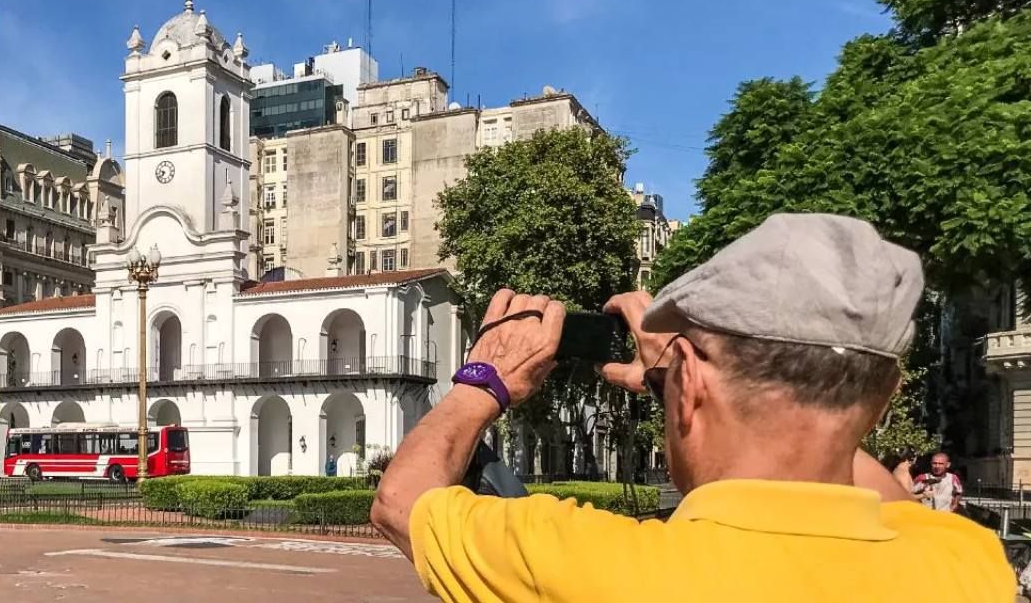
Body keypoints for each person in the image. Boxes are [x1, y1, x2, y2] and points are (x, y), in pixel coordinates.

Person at [370, 213, 1012, 601]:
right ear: (885, 399)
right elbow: (842, 433)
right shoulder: (964, 565)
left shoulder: (600, 569)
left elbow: (403, 502)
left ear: (696, 382)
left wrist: (485, 375)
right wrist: (677, 379)